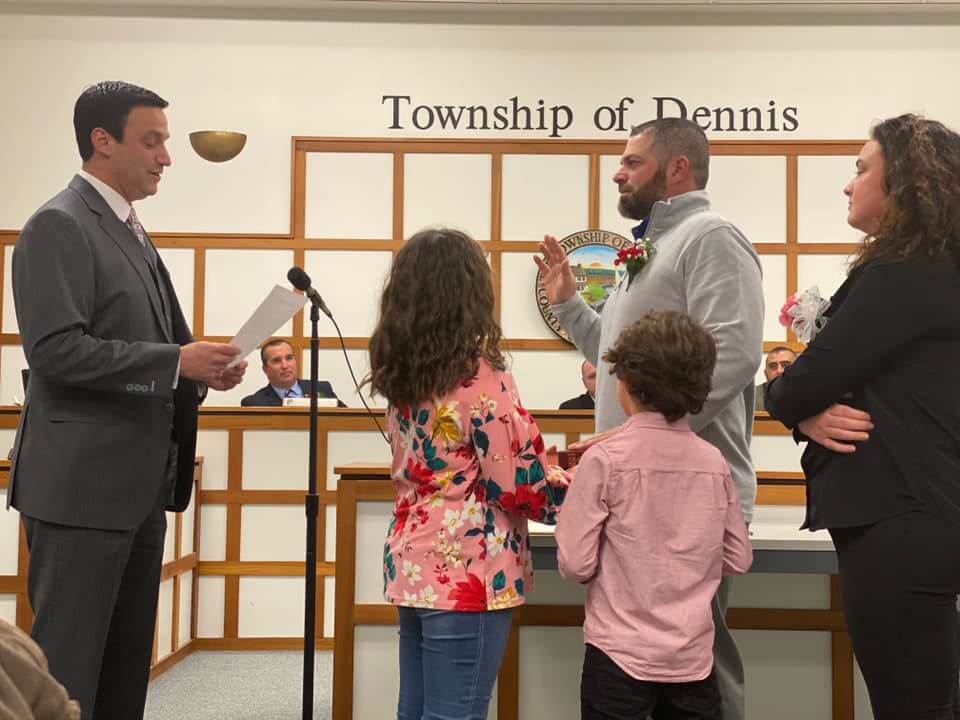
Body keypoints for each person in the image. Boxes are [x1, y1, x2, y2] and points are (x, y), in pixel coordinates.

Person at [8, 81, 247, 720]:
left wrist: (199, 371)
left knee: (121, 674)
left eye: (165, 141)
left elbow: (155, 346)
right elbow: (56, 350)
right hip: (82, 491)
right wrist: (175, 361)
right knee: (67, 674)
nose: (167, 156)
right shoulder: (58, 223)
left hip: (137, 488)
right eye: (153, 140)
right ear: (101, 140)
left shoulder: (129, 228)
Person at [536, 117, 763, 720]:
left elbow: (737, 353)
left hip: (686, 494)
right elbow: (613, 361)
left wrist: (653, 437)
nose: (619, 170)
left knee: (700, 667)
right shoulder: (643, 248)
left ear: (677, 168)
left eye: (633, 161)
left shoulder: (713, 237)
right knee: (636, 669)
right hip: (631, 488)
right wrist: (568, 302)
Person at [765, 114, 960, 718]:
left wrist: (796, 405)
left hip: (897, 519)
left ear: (901, 182)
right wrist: (809, 413)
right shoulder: (936, 272)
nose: (849, 185)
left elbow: (794, 387)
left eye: (860, 168)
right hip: (924, 514)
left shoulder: (900, 275)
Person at [366, 227, 570, 720]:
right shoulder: (480, 376)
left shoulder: (401, 373)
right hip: (467, 568)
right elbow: (515, 487)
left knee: (415, 711)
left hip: (413, 557)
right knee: (455, 713)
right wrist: (566, 485)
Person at [557, 311, 752, 719]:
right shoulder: (714, 462)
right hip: (693, 658)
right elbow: (738, 558)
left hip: (617, 653)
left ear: (623, 384)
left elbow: (576, 564)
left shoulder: (604, 461)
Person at [240, 338, 345, 407]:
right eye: (277, 361)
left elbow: (348, 420)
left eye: (289, 358)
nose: (285, 366)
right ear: (265, 369)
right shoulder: (254, 403)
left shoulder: (322, 388)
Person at [754, 346, 797, 412]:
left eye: (785, 365)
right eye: (773, 366)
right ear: (766, 373)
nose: (779, 371)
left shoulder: (810, 394)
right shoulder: (753, 397)